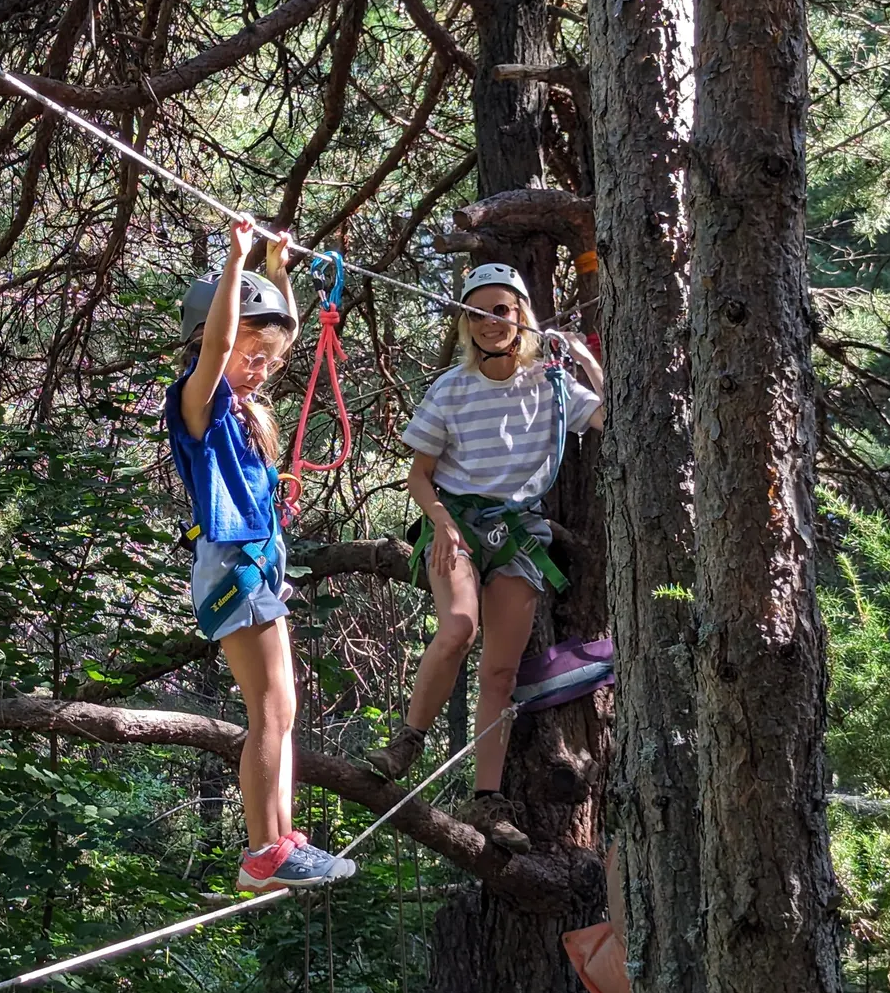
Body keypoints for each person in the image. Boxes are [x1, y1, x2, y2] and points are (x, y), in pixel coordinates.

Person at [362, 263, 606, 852]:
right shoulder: (450, 388)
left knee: (500, 673)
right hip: (459, 525)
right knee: (458, 628)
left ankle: (486, 800)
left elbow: (611, 417)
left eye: (502, 309)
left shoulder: (551, 386)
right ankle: (407, 743)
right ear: (466, 322)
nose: (490, 322)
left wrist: (587, 363)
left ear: (521, 315)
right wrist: (442, 523)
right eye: (477, 312)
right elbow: (419, 476)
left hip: (519, 533)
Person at [165, 217, 356, 892]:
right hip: (232, 566)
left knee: (282, 710)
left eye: (266, 361)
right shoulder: (200, 402)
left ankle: (278, 841)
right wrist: (235, 258)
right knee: (270, 712)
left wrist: (277, 270)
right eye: (253, 355)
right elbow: (221, 343)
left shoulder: (245, 404)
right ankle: (262, 849)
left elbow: (287, 334)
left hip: (255, 566)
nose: (261, 367)